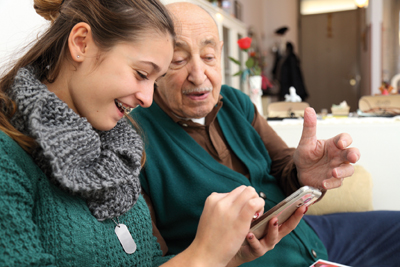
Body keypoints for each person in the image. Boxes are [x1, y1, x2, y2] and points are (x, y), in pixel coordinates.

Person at [0, 0, 305, 266]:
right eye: (141, 74)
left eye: (154, 79)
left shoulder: (119, 148)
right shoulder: (8, 157)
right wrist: (202, 255)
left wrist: (229, 255)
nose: (147, 98)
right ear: (81, 43)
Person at [131, 2, 400, 266]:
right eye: (179, 60)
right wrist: (227, 254)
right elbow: (152, 259)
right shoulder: (134, 139)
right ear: (156, 63)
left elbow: (284, 165)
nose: (199, 76)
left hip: (311, 235)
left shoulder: (235, 101)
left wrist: (302, 173)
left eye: (209, 56)